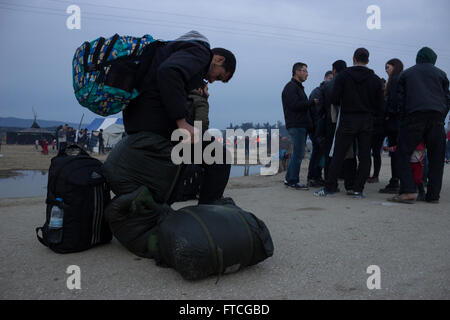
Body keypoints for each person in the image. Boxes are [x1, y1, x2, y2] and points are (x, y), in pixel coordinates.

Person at [103, 30, 236, 207]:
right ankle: (207, 214)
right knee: (219, 157)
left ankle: (166, 208)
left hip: (137, 119)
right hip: (157, 121)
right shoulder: (201, 52)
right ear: (219, 59)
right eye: (218, 76)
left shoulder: (171, 50)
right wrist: (181, 121)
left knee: (183, 163)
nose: (212, 81)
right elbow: (169, 72)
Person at [315, 48, 384, 198]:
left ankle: (329, 188)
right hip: (366, 120)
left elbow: (334, 98)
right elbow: (380, 105)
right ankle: (358, 189)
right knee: (365, 156)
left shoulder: (344, 76)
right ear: (368, 60)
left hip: (347, 118)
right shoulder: (375, 79)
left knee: (338, 154)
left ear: (353, 58)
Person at [389, 47, 449, 204]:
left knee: (402, 153)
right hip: (436, 118)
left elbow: (400, 101)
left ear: (418, 58)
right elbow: (447, 99)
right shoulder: (441, 74)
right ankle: (433, 195)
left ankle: (408, 190)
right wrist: (441, 115)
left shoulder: (407, 74)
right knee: (437, 158)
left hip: (414, 117)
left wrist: (403, 120)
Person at [282, 62, 319, 190]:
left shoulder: (297, 87)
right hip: (296, 125)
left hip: (300, 125)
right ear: (297, 72)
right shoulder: (291, 87)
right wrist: (311, 103)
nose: (307, 74)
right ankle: (293, 181)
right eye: (305, 71)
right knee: (298, 154)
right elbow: (294, 105)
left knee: (298, 153)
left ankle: (289, 179)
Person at [317, 60, 347, 181]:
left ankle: (329, 179)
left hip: (330, 122)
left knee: (329, 152)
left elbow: (322, 108)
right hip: (347, 121)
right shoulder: (348, 83)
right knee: (347, 152)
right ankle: (346, 178)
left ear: (334, 70)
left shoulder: (327, 86)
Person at [378, 58, 404, 193]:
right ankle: (397, 180)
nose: (386, 70)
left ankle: (394, 182)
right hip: (400, 122)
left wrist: (388, 114)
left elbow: (395, 101)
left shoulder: (395, 80)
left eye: (388, 67)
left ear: (395, 67)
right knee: (398, 153)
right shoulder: (402, 79)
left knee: (395, 153)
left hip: (395, 122)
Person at [307, 71, 333, 187]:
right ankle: (313, 177)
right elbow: (316, 112)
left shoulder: (322, 91)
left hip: (320, 128)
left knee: (320, 153)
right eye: (330, 79)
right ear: (325, 78)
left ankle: (316, 176)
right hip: (317, 128)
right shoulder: (318, 92)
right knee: (317, 153)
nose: (332, 81)